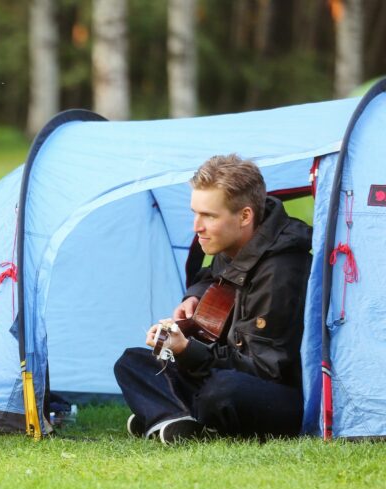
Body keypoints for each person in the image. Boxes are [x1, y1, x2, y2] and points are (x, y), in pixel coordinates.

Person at [114, 154, 311, 444]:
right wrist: (194, 297)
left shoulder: (282, 272)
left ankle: (164, 412)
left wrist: (187, 350)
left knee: (222, 392)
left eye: (209, 216)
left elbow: (265, 369)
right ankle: (175, 418)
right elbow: (211, 276)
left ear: (245, 216)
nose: (197, 226)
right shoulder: (232, 240)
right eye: (195, 213)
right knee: (132, 362)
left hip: (275, 389)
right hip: (225, 365)